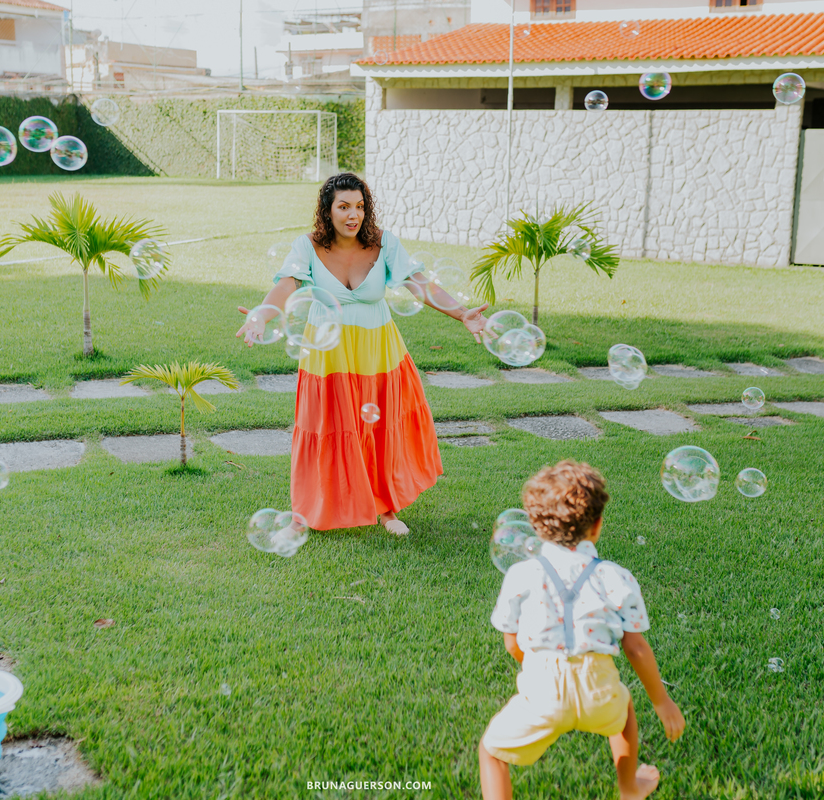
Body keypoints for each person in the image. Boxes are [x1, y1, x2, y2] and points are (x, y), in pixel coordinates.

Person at [236, 173, 488, 535]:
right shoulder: (307, 246)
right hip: (327, 354)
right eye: (343, 207)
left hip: (377, 352)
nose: (353, 214)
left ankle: (387, 510)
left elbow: (418, 283)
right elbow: (288, 284)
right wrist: (262, 314)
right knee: (321, 428)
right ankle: (303, 514)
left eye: (359, 206)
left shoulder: (384, 244)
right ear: (327, 211)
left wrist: (462, 313)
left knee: (379, 430)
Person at [479, 460, 684, 800]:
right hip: (599, 687)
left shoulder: (520, 575)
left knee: (491, 751)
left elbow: (512, 644)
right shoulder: (616, 576)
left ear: (536, 527)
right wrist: (662, 702)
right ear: (598, 525)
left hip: (543, 689)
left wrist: (539, 665)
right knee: (624, 711)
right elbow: (636, 649)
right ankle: (629, 788)